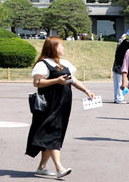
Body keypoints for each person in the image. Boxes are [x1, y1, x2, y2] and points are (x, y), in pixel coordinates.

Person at [26, 37, 94, 179]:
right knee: (52, 133)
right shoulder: (43, 64)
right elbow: (37, 83)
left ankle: (42, 168)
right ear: (53, 48)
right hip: (50, 104)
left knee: (54, 133)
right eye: (60, 46)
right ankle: (59, 168)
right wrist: (56, 80)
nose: (63, 48)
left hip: (63, 104)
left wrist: (86, 90)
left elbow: (73, 80)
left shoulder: (64, 63)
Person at [112, 33, 129, 104]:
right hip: (121, 69)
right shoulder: (126, 51)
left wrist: (122, 36)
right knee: (120, 84)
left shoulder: (119, 48)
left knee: (116, 84)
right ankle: (119, 98)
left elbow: (120, 42)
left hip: (115, 67)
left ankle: (116, 98)